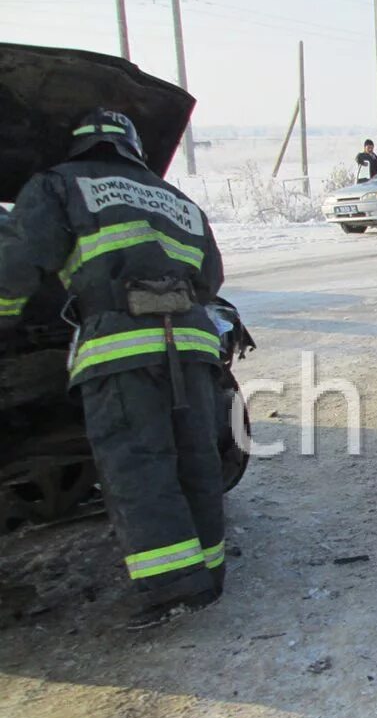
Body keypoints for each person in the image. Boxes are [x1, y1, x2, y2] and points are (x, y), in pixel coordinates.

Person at [0, 109, 229, 629]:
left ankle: (174, 589)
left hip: (118, 349)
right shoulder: (177, 200)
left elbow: (16, 261)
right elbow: (210, 278)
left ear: (79, 146)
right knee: (195, 459)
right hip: (192, 344)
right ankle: (208, 575)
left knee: (139, 468)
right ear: (133, 148)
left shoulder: (59, 186)